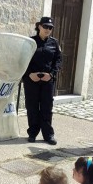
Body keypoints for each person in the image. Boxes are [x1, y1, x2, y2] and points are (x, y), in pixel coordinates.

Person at [22, 17, 62, 145]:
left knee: (46, 107)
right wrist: (29, 74)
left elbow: (58, 61)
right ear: (39, 26)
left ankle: (48, 135)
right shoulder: (30, 42)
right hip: (31, 79)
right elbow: (22, 60)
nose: (48, 29)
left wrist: (51, 74)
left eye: (50, 28)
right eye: (45, 26)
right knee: (32, 106)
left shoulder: (54, 43)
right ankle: (32, 132)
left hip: (47, 80)